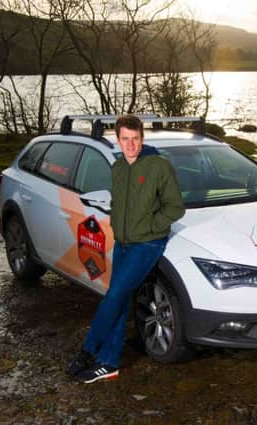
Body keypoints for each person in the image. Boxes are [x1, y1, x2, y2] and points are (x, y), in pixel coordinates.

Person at [67, 114, 186, 383]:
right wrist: (118, 224)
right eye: (125, 139)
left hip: (147, 243)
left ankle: (88, 351)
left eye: (135, 139)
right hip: (123, 243)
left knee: (113, 296)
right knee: (117, 299)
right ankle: (109, 362)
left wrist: (151, 226)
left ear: (142, 139)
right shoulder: (118, 167)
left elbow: (175, 207)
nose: (130, 144)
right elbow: (120, 203)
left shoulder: (158, 166)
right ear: (118, 140)